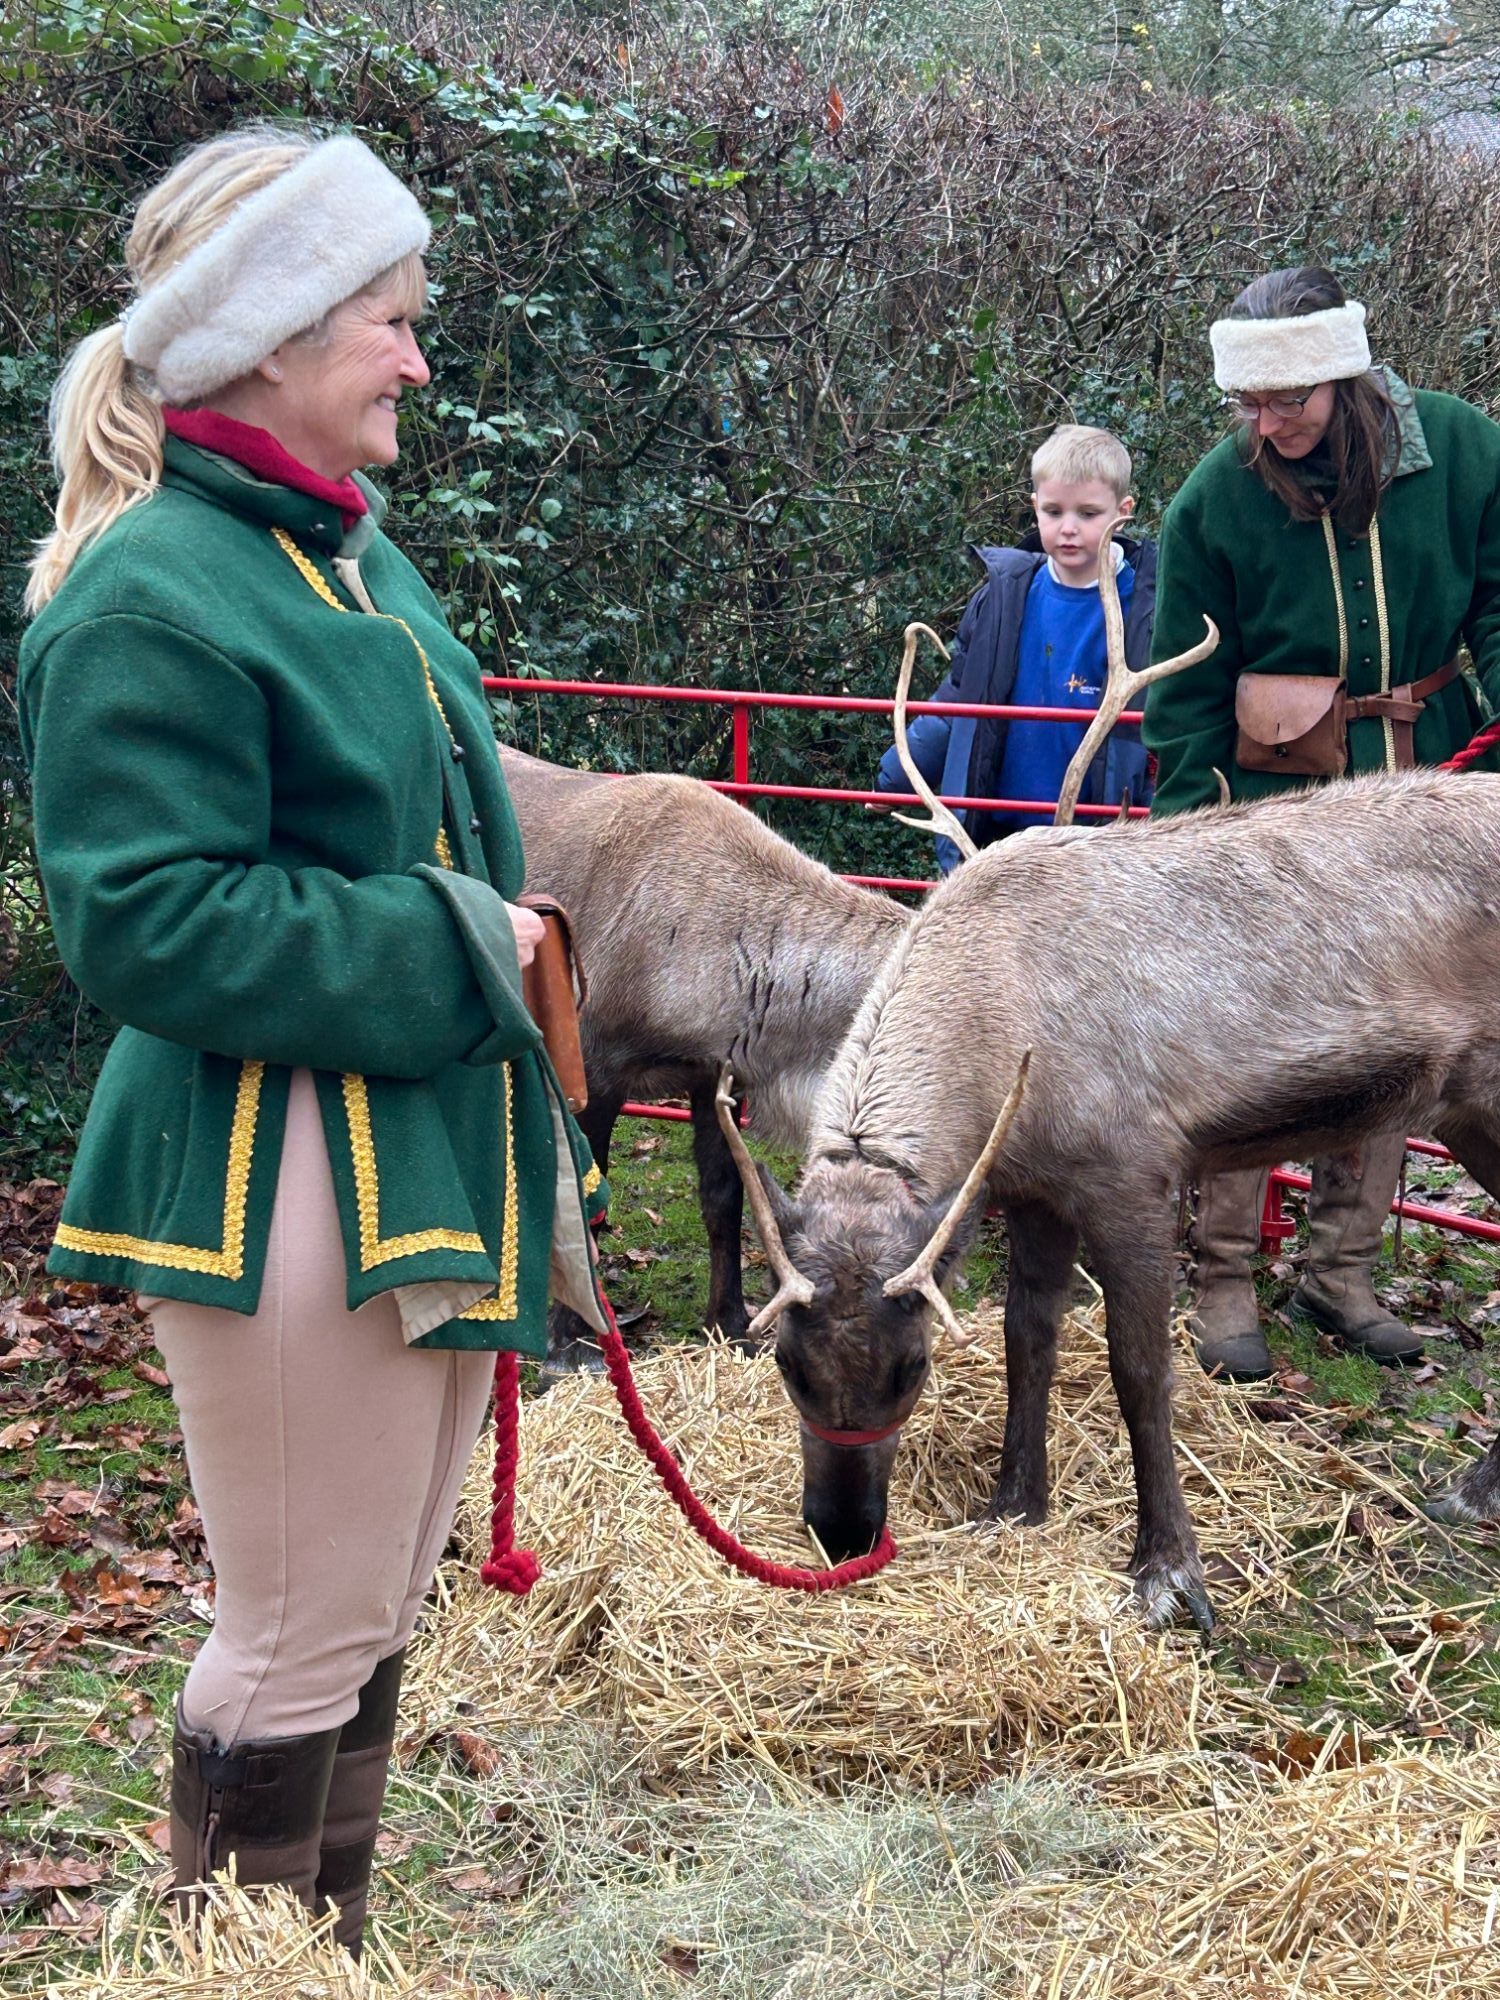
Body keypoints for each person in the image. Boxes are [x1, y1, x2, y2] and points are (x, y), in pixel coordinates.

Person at [18, 126, 609, 1957]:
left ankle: (310, 1967)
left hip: (412, 1150)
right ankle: (240, 1979)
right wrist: (463, 940)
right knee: (293, 1628)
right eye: (389, 319)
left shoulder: (345, 558)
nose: (420, 360)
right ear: (273, 335)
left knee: (362, 1618)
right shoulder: (149, 592)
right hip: (278, 1165)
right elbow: (148, 925)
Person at [1145, 264, 1500, 1381]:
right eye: (1247, 404)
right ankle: (1222, 1281)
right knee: (1251, 1045)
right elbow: (1185, 697)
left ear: (1343, 375)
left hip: (1424, 790)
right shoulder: (1213, 495)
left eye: (1286, 400)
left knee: (1406, 1033)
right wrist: (1194, 844)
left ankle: (1342, 1273)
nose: (1266, 423)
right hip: (1270, 813)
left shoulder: (1462, 449)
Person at [873, 425, 1157, 868]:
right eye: (1053, 511)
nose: (1068, 529)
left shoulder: (1147, 610)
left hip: (1096, 846)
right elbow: (959, 701)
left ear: (1123, 512)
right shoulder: (1003, 599)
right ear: (1034, 509)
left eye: (1087, 514)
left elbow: (1163, 732)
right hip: (1000, 842)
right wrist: (895, 779)